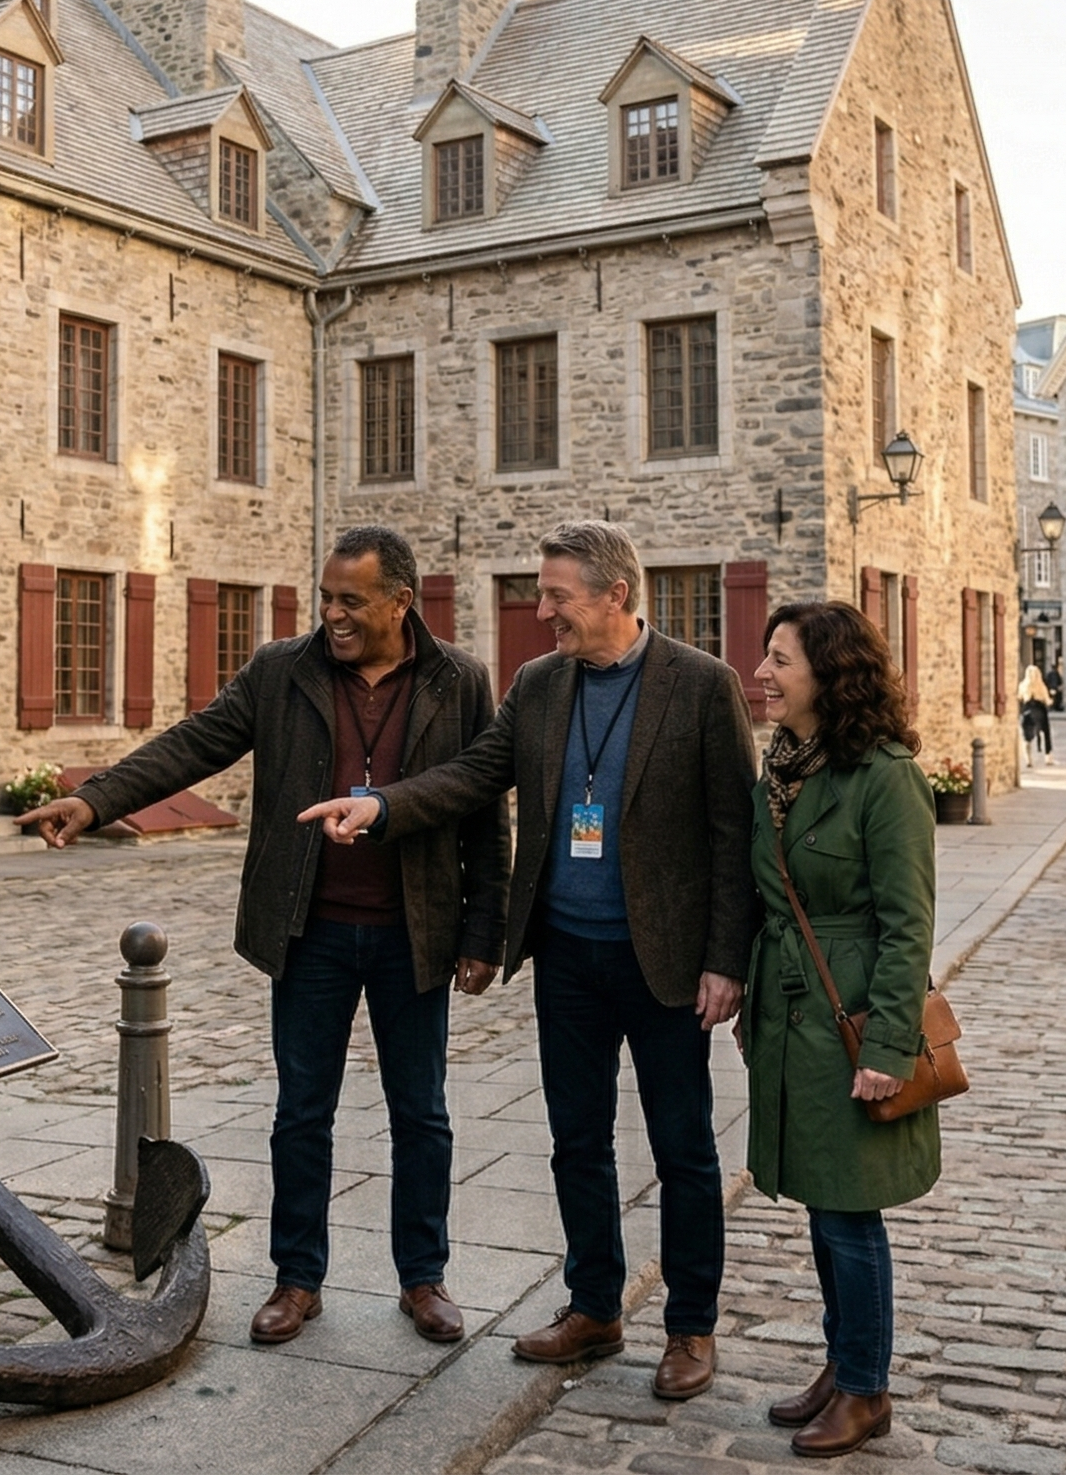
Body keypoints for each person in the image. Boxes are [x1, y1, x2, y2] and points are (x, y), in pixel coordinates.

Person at [17, 526, 508, 1347]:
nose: (333, 615)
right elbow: (195, 743)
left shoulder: (460, 681)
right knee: (299, 1113)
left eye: (352, 600)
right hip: (307, 930)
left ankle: (424, 1278)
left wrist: (484, 927)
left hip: (413, 933)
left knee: (421, 1113)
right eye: (325, 597)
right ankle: (297, 1279)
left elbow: (484, 810)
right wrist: (96, 800)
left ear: (401, 601)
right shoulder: (284, 669)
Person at [301, 521, 756, 1402]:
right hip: (567, 958)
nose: (540, 609)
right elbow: (475, 773)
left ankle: (690, 1328)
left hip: (663, 963)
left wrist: (724, 959)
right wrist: (383, 807)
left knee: (685, 1150)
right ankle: (594, 1307)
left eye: (555, 595)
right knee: (576, 1143)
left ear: (614, 594)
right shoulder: (540, 684)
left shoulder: (703, 686)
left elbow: (734, 834)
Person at [741, 602, 939, 1457]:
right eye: (765, 657)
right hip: (792, 1015)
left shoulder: (886, 775)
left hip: (852, 1014)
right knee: (824, 1206)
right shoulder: (784, 766)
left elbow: (910, 924)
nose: (763, 673)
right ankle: (842, 1364)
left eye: (780, 659)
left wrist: (890, 1047)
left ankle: (866, 1390)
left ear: (828, 673)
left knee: (850, 1213)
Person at [1017, 664, 1052, 767]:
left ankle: (1028, 759)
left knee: (1026, 736)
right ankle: (1047, 757)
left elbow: (1019, 697)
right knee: (1046, 733)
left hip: (1027, 711)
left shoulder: (1023, 686)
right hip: (1040, 711)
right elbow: (1047, 700)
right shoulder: (1041, 686)